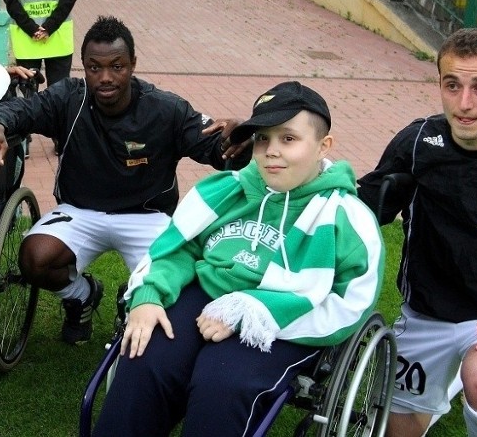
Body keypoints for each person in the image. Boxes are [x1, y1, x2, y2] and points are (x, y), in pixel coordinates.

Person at [93, 81, 385, 436]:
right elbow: (176, 248)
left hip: (283, 315)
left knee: (222, 382)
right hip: (206, 292)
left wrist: (254, 313)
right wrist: (149, 296)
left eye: (288, 139)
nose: (271, 151)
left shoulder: (347, 216)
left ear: (324, 146)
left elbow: (350, 302)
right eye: (263, 139)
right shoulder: (223, 190)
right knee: (146, 358)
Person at [0, 16, 252, 345]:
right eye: (93, 67)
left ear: (133, 65)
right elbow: (21, 110)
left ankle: (131, 298)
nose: (105, 78)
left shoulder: (165, 108)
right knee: (35, 257)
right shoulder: (68, 98)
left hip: (146, 216)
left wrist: (240, 139)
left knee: (173, 283)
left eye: (117, 66)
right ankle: (83, 296)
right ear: (83, 67)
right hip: (81, 211)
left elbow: (217, 149)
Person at [358, 27, 477, 437]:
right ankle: (449, 376)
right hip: (427, 313)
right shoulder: (421, 141)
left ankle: (474, 377)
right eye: (452, 85)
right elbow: (367, 209)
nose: (464, 104)